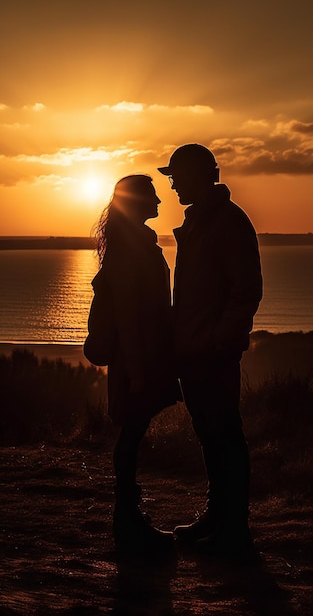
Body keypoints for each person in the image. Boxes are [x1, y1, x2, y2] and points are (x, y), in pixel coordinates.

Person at [158, 144, 263, 562]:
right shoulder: (202, 220)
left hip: (212, 353)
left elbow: (246, 290)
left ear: (202, 175)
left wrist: (220, 340)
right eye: (170, 178)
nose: (173, 185)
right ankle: (218, 516)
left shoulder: (227, 223)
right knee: (210, 436)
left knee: (224, 436)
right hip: (195, 350)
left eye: (177, 177)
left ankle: (233, 528)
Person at [92, 174, 179, 554]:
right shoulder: (130, 249)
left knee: (134, 430)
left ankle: (128, 517)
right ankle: (127, 519)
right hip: (136, 356)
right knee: (132, 431)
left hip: (144, 352)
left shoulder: (136, 243)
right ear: (137, 203)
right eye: (152, 197)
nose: (160, 202)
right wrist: (138, 369)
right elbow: (127, 313)